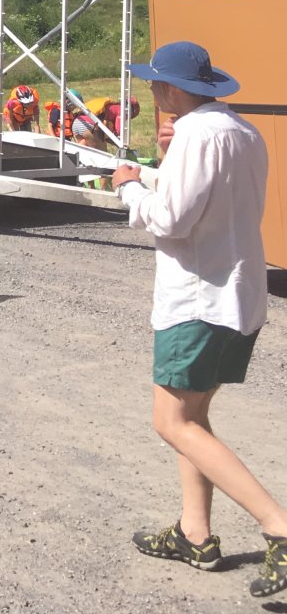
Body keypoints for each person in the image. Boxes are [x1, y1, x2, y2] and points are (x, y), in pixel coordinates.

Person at [113, 42, 287, 599]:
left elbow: (170, 220)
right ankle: (196, 534)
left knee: (172, 423)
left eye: (154, 82)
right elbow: (209, 200)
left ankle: (279, 527)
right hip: (238, 296)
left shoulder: (194, 135)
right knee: (194, 417)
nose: (151, 90)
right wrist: (165, 159)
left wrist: (128, 185)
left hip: (197, 301)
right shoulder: (242, 131)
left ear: (172, 88)